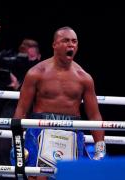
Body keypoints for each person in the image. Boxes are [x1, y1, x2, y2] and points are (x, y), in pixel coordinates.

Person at [12, 26, 106, 180]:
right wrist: (17, 144)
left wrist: (100, 150)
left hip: (72, 131)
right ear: (54, 45)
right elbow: (21, 110)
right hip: (40, 129)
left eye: (74, 41)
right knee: (38, 177)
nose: (71, 45)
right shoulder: (36, 73)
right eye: (66, 41)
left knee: (71, 176)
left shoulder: (84, 78)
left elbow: (94, 115)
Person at [0, 38, 41, 176]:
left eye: (30, 50)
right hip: (10, 108)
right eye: (23, 49)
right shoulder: (13, 64)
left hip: (33, 111)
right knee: (3, 147)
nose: (26, 52)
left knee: (31, 148)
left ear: (38, 55)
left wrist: (18, 86)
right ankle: (5, 177)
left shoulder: (42, 69)